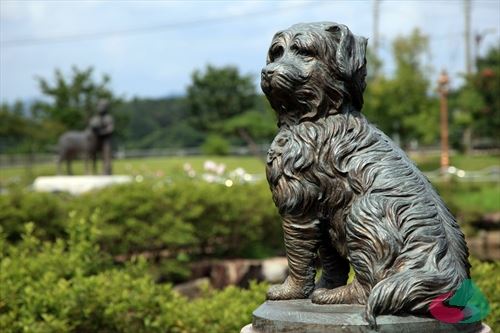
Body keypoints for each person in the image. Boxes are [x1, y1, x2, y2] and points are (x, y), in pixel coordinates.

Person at [89, 99, 114, 175]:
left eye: (103, 106)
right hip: (95, 140)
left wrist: (101, 132)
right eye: (100, 106)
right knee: (91, 153)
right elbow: (90, 129)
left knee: (106, 153)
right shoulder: (94, 119)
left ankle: (106, 170)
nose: (101, 108)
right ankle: (93, 170)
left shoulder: (108, 118)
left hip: (105, 140)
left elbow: (110, 130)